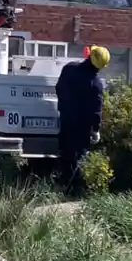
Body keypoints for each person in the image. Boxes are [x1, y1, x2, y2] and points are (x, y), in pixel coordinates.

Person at [55, 44, 109, 196]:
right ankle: (73, 191)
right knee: (78, 157)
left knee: (66, 154)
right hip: (82, 126)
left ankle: (64, 187)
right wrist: (96, 130)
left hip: (66, 119)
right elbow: (96, 111)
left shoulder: (69, 68)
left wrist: (65, 106)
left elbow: (58, 88)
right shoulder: (96, 83)